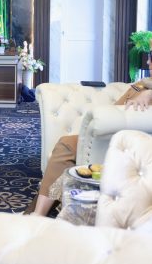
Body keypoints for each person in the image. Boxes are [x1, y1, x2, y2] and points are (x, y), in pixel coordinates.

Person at [27, 53, 152, 216]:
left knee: (66, 144)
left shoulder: (146, 89)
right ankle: (41, 212)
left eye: (151, 57)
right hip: (109, 137)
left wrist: (149, 93)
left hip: (126, 145)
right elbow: (115, 109)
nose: (147, 61)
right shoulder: (143, 84)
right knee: (66, 145)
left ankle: (37, 214)